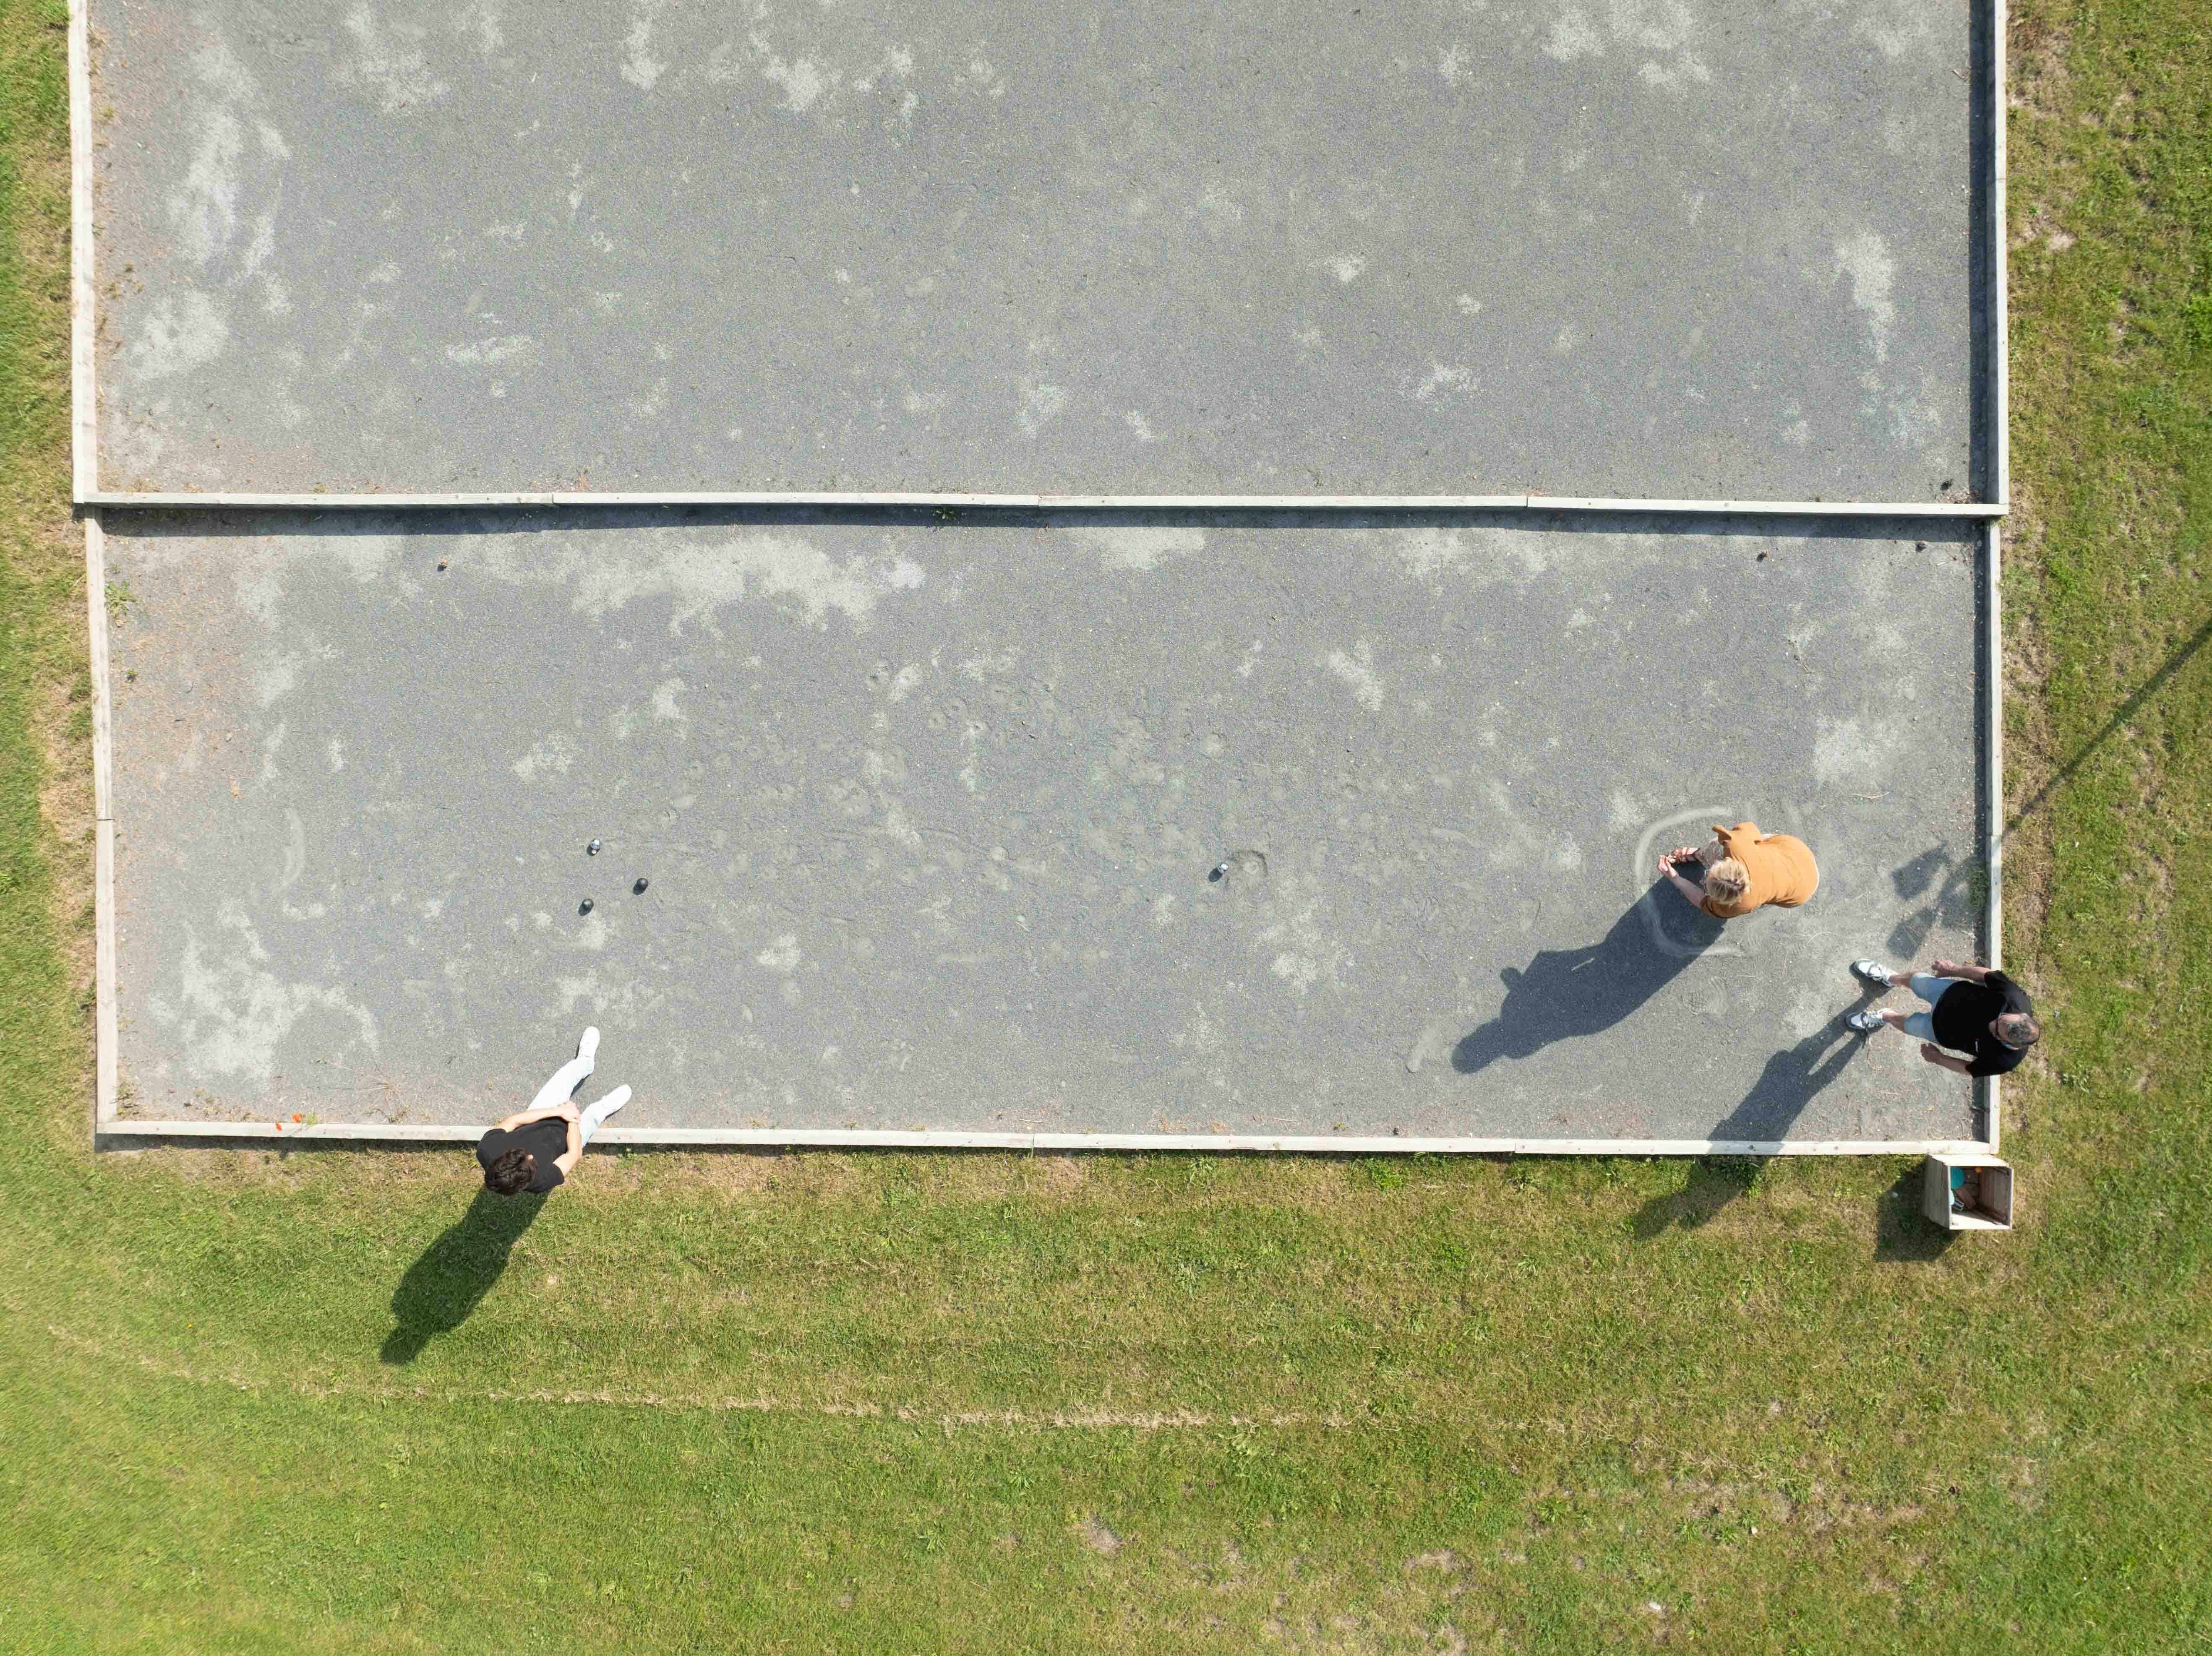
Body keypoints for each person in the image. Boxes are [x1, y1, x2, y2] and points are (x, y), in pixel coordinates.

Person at [476, 1026, 631, 1195]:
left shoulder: (487, 1148)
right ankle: (603, 1108)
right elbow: (574, 1155)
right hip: (568, 1141)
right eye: (530, 1163)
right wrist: (572, 1119)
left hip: (540, 1115)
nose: (530, 1157)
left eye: (523, 1155)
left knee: (565, 1077)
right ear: (523, 1184)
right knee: (594, 1116)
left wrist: (556, 1111)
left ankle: (586, 1062)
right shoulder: (541, 1182)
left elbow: (515, 1121)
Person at [1845, 958, 2040, 1076]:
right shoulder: (2015, 997)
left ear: (2011, 1044)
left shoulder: (2006, 1061)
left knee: (1909, 1026)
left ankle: (1885, 1016)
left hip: (1938, 1031)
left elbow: (1970, 1069)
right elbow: (1987, 976)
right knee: (1916, 980)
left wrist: (1939, 1059)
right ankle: (1890, 978)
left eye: (1997, 1033)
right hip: (1949, 993)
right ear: (2020, 1015)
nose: (1992, 1024)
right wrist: (1953, 970)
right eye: (2001, 1019)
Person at [1656, 820, 1820, 920]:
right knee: (1716, 847)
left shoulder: (1741, 905)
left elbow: (1703, 903)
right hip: (1797, 853)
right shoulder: (1737, 847)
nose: (1702, 881)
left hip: (1802, 876)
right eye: (1709, 875)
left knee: (1720, 849)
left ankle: (1700, 855)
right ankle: (1699, 854)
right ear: (1730, 863)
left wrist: (1676, 878)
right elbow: (1748, 829)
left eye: (1705, 884)